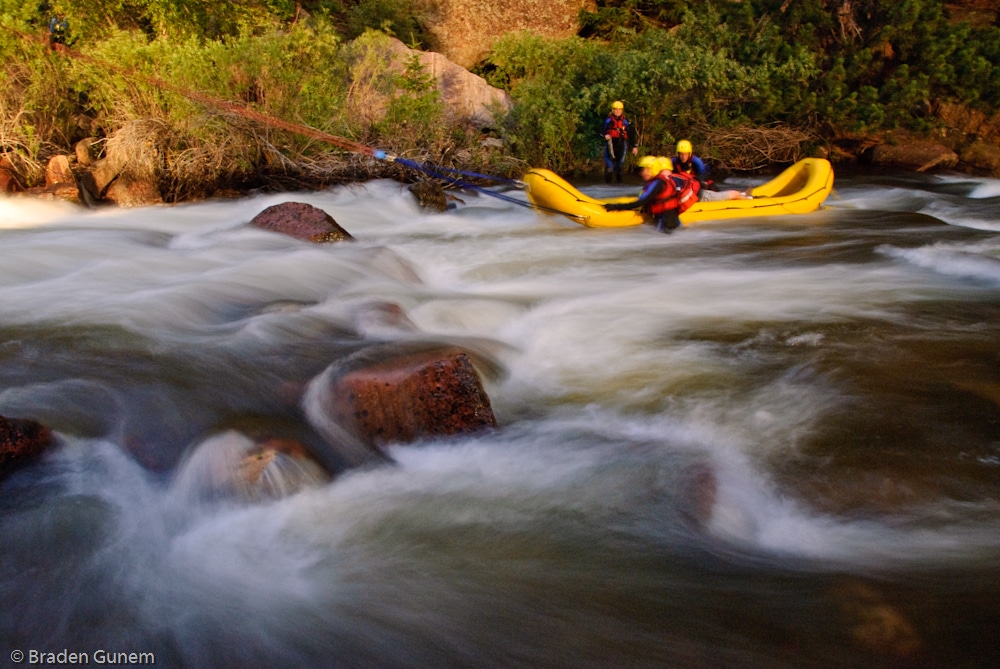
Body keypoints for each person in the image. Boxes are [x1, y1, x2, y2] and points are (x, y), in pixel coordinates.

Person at [602, 156, 699, 233]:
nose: (642, 173)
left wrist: (616, 207)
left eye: (644, 169)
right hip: (670, 221)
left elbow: (640, 202)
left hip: (666, 223)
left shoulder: (658, 184)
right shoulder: (657, 182)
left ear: (652, 169)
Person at [673, 138, 752, 201]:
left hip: (699, 186)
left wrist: (700, 183)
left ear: (689, 153)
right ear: (678, 154)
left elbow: (703, 174)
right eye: (681, 154)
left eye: (685, 154)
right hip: (690, 189)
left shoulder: (696, 162)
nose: (683, 157)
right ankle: (741, 194)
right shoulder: (673, 162)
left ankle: (744, 197)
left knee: (717, 192)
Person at [601, 101, 638, 184]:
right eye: (615, 109)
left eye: (619, 109)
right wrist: (605, 135)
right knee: (609, 167)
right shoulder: (608, 120)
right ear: (612, 110)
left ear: (622, 110)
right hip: (610, 144)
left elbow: (631, 134)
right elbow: (601, 132)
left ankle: (619, 186)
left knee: (620, 166)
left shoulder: (625, 121)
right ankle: (607, 187)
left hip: (621, 144)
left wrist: (634, 146)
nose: (617, 111)